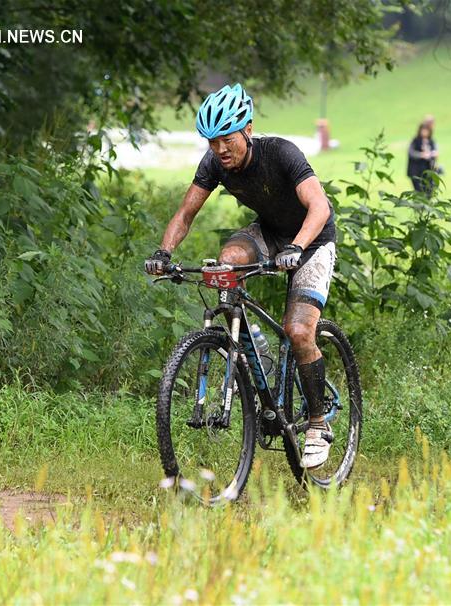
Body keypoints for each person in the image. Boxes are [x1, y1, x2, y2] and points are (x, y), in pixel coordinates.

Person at [143, 83, 337, 469]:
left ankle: (317, 423)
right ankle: (254, 351)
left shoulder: (281, 153)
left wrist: (296, 248)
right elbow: (185, 214)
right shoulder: (214, 163)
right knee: (227, 262)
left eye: (226, 139)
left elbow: (319, 206)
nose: (219, 149)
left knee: (299, 331)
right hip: (269, 232)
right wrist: (164, 253)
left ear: (247, 128)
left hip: (312, 241)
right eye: (212, 141)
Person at [407, 122, 438, 194]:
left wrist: (433, 154)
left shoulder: (431, 141)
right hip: (416, 170)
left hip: (428, 170)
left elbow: (435, 151)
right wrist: (421, 155)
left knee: (429, 190)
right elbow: (411, 153)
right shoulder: (415, 141)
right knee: (419, 191)